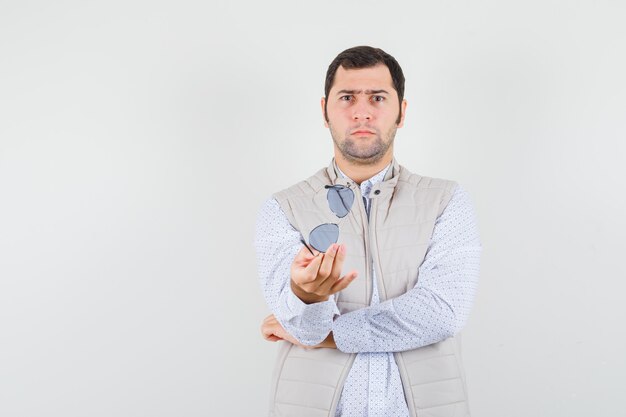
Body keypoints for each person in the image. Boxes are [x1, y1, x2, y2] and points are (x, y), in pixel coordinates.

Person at [255, 46, 481, 417]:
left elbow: (442, 313)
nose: (362, 111)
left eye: (377, 97)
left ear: (401, 112)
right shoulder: (284, 208)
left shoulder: (446, 201)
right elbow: (302, 326)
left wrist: (330, 335)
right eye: (347, 98)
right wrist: (305, 297)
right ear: (325, 112)